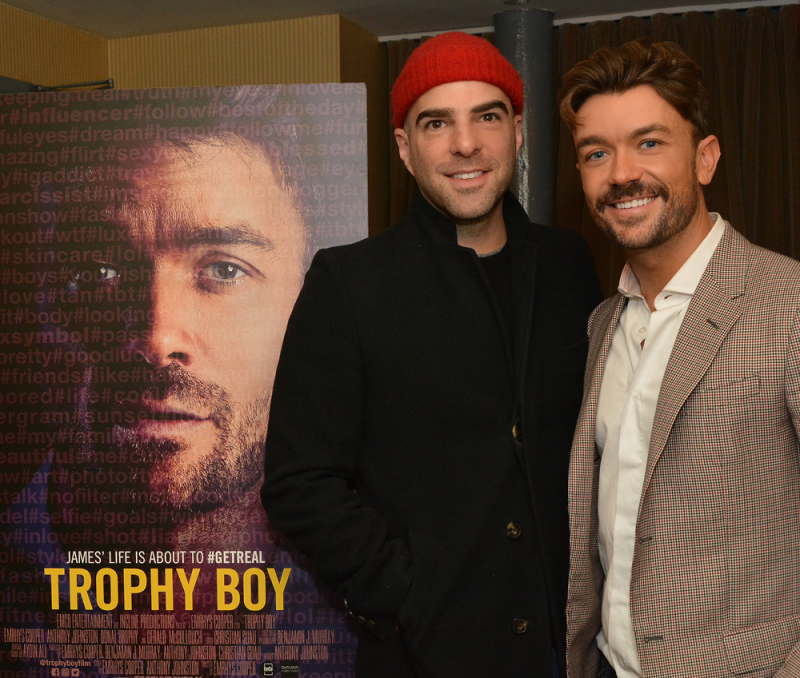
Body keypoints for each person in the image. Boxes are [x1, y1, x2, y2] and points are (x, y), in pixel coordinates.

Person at [262, 31, 601, 677]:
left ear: (517, 133)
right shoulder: (349, 283)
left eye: (488, 117)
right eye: (436, 122)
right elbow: (299, 483)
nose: (465, 143)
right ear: (405, 148)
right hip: (426, 653)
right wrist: (404, 595)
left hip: (568, 648)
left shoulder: (569, 263)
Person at [558, 39, 800, 678]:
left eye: (649, 142)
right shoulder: (603, 323)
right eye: (596, 153)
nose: (621, 174)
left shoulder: (788, 304)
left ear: (706, 157)